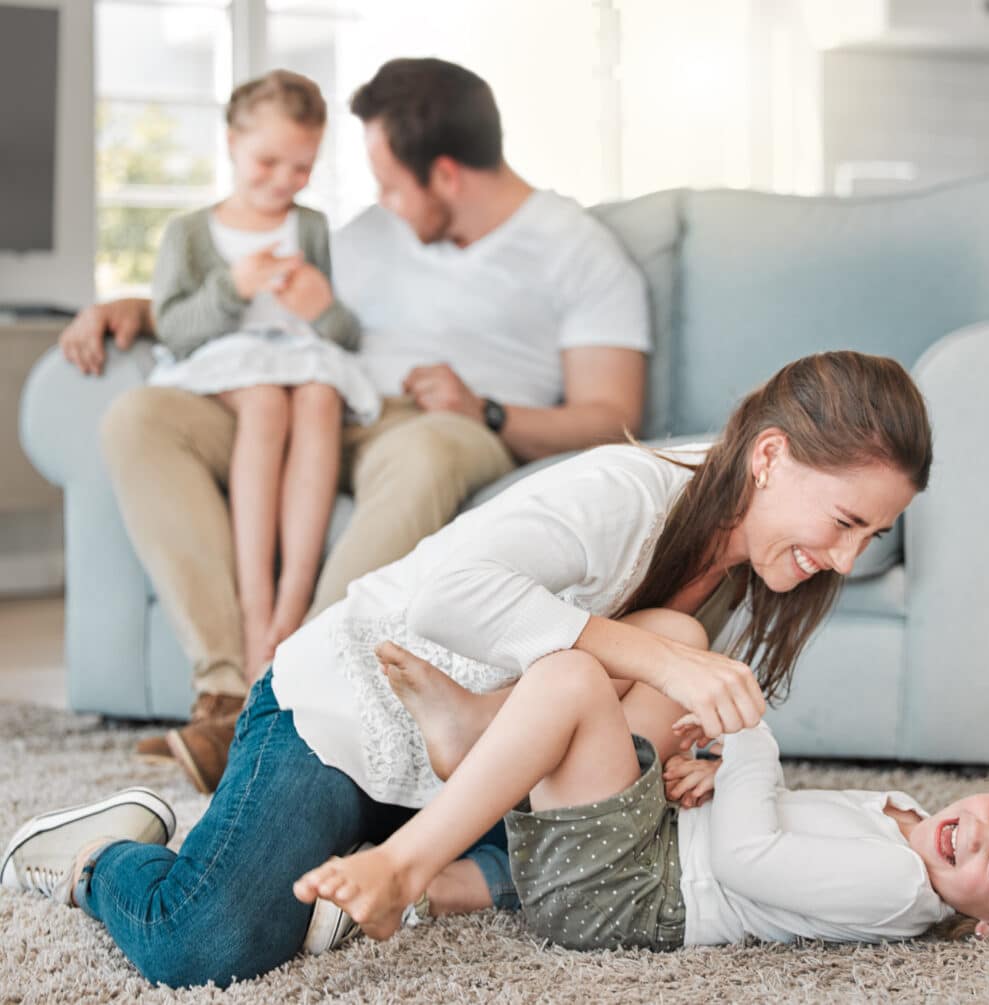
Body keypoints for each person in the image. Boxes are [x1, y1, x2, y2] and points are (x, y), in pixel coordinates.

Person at [4, 351, 929, 988]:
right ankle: (100, 853)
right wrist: (655, 659)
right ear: (770, 457)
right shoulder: (625, 492)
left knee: (616, 871)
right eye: (846, 522)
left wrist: (699, 759)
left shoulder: (739, 571)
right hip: (352, 711)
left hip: (481, 779)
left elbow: (635, 718)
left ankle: (473, 742)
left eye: (872, 537)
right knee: (207, 942)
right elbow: (446, 592)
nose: (847, 560)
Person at [57, 57, 651, 792]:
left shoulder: (575, 248)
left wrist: (487, 410)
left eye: (389, 182)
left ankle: (278, 693)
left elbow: (615, 414)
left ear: (445, 175)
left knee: (428, 453)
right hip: (327, 403)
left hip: (438, 424)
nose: (377, 199)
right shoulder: (371, 232)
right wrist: (132, 310)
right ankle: (222, 685)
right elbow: (268, 298)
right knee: (141, 416)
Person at [295, 636, 989, 950]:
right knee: (673, 640)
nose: (975, 836)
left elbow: (749, 858)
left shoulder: (900, 888)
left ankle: (411, 864)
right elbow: (782, 820)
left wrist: (745, 739)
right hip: (655, 848)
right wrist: (716, 771)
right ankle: (483, 738)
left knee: (572, 680)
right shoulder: (921, 828)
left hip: (622, 895)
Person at [148, 70, 375, 687]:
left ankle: (292, 604)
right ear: (230, 142)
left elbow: (342, 333)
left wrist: (319, 308)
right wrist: (233, 287)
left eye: (301, 168)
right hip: (227, 364)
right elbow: (173, 329)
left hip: (303, 360)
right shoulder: (190, 234)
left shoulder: (310, 228)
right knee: (268, 403)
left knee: (320, 396)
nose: (283, 181)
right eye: (267, 161)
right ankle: (255, 616)